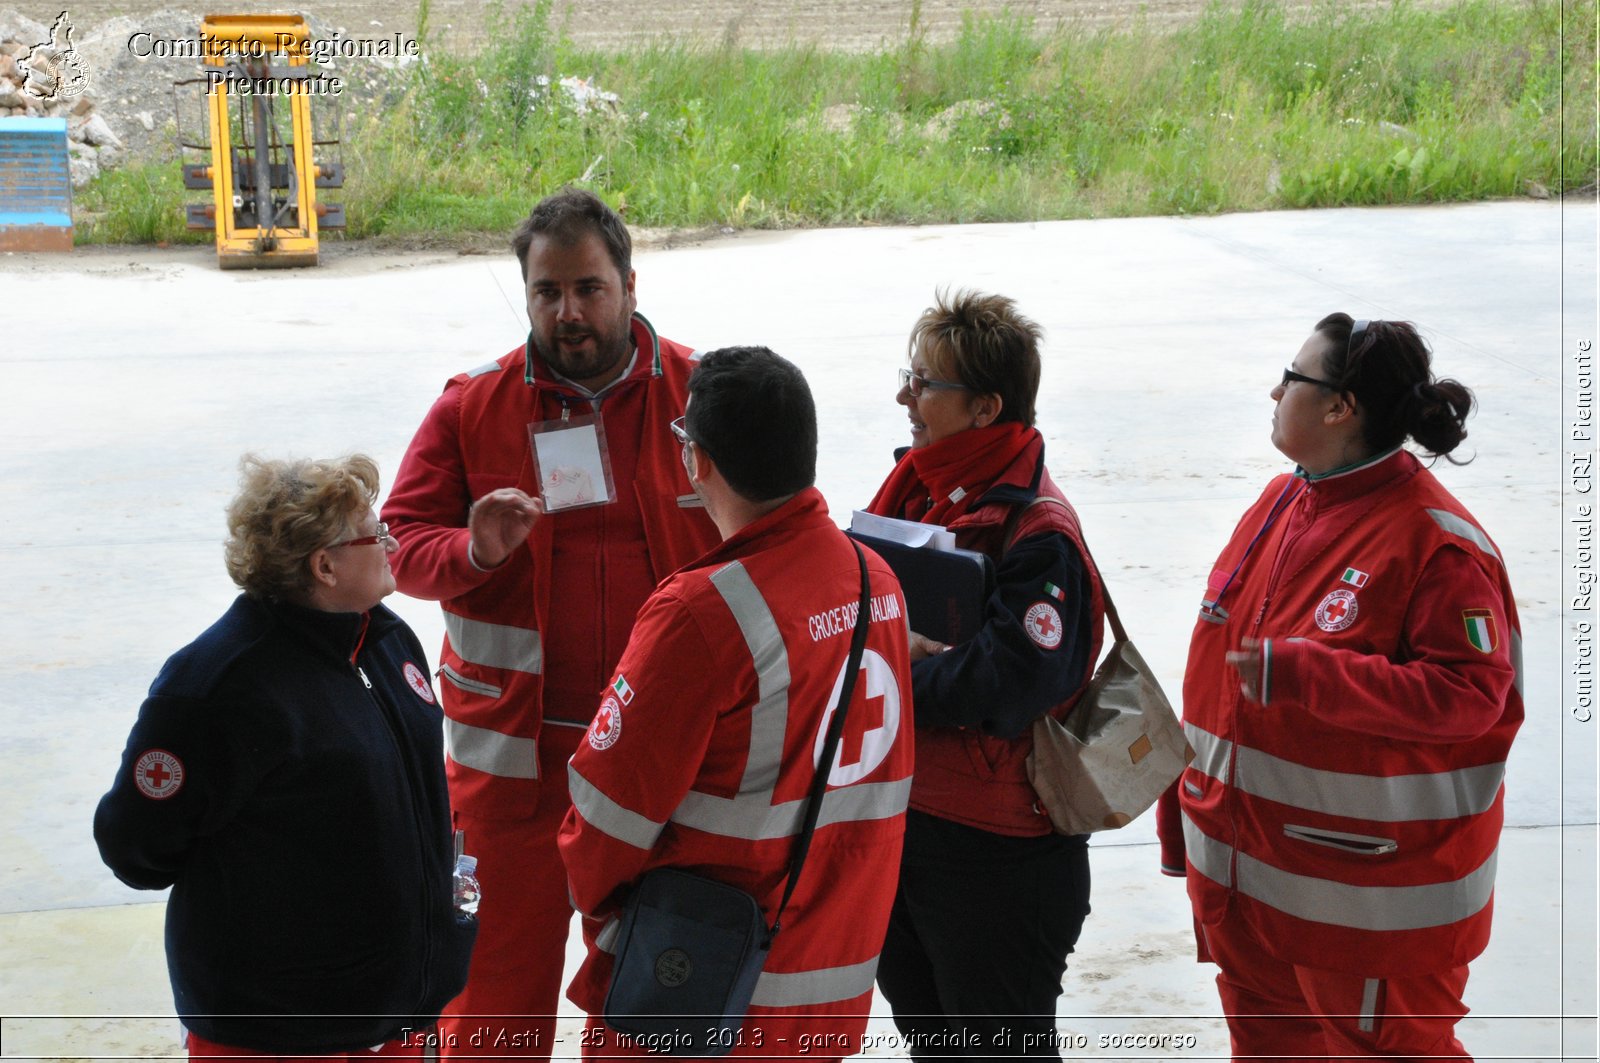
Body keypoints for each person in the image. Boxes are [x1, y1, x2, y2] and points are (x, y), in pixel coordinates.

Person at [382, 188, 720, 1057]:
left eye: (588, 288)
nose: (567, 312)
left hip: (663, 767)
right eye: (546, 292)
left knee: (658, 1006)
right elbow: (400, 543)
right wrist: (474, 553)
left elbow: (774, 538)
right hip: (512, 778)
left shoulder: (705, 396)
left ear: (631, 285)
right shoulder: (472, 406)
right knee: (492, 1007)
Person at [1157, 314, 1524, 1060]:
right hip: (1253, 891)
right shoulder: (1279, 503)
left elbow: (1472, 698)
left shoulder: (1437, 543)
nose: (1274, 388)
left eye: (1291, 376)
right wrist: (1184, 796)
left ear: (1338, 407)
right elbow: (1219, 675)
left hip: (1370, 913)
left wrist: (1314, 674)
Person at [558, 346, 916, 1060]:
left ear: (698, 462)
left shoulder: (701, 614)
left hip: (699, 995)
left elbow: (601, 828)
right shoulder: (875, 580)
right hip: (824, 989)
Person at [94, 454, 474, 1059]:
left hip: (398, 1010)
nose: (391, 541)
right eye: (374, 534)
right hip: (277, 1028)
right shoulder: (219, 687)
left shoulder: (384, 638)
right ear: (325, 566)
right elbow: (136, 846)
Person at [863, 290, 1106, 1061]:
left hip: (1000, 861)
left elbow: (1008, 682)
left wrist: (894, 669)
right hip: (911, 830)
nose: (906, 395)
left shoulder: (1039, 535)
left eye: (925, 383)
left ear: (984, 406)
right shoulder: (918, 489)